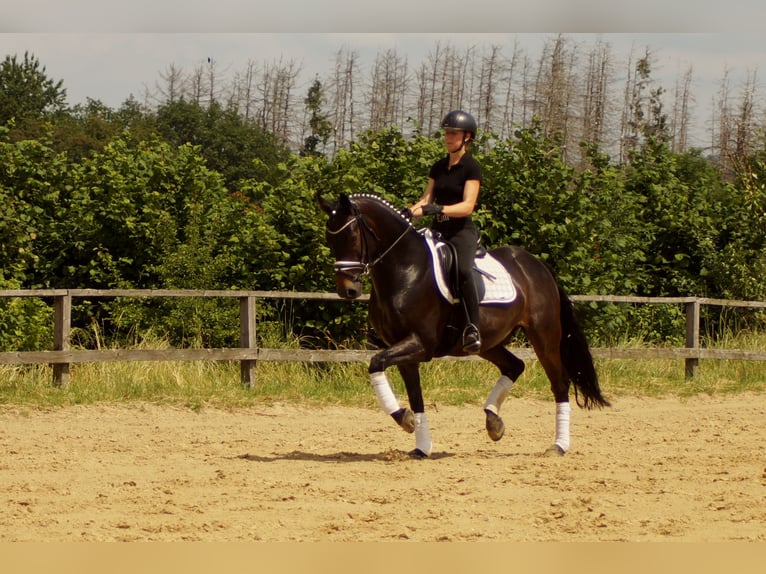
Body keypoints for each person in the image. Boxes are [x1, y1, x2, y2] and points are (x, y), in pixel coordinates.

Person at [408, 109, 483, 354]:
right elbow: (425, 200)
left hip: (461, 231)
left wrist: (440, 208)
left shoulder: (471, 167)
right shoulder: (438, 166)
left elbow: (468, 206)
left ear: (467, 137)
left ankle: (473, 326)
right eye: (447, 133)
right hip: (438, 231)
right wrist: (406, 213)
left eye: (454, 133)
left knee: (462, 270)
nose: (448, 137)